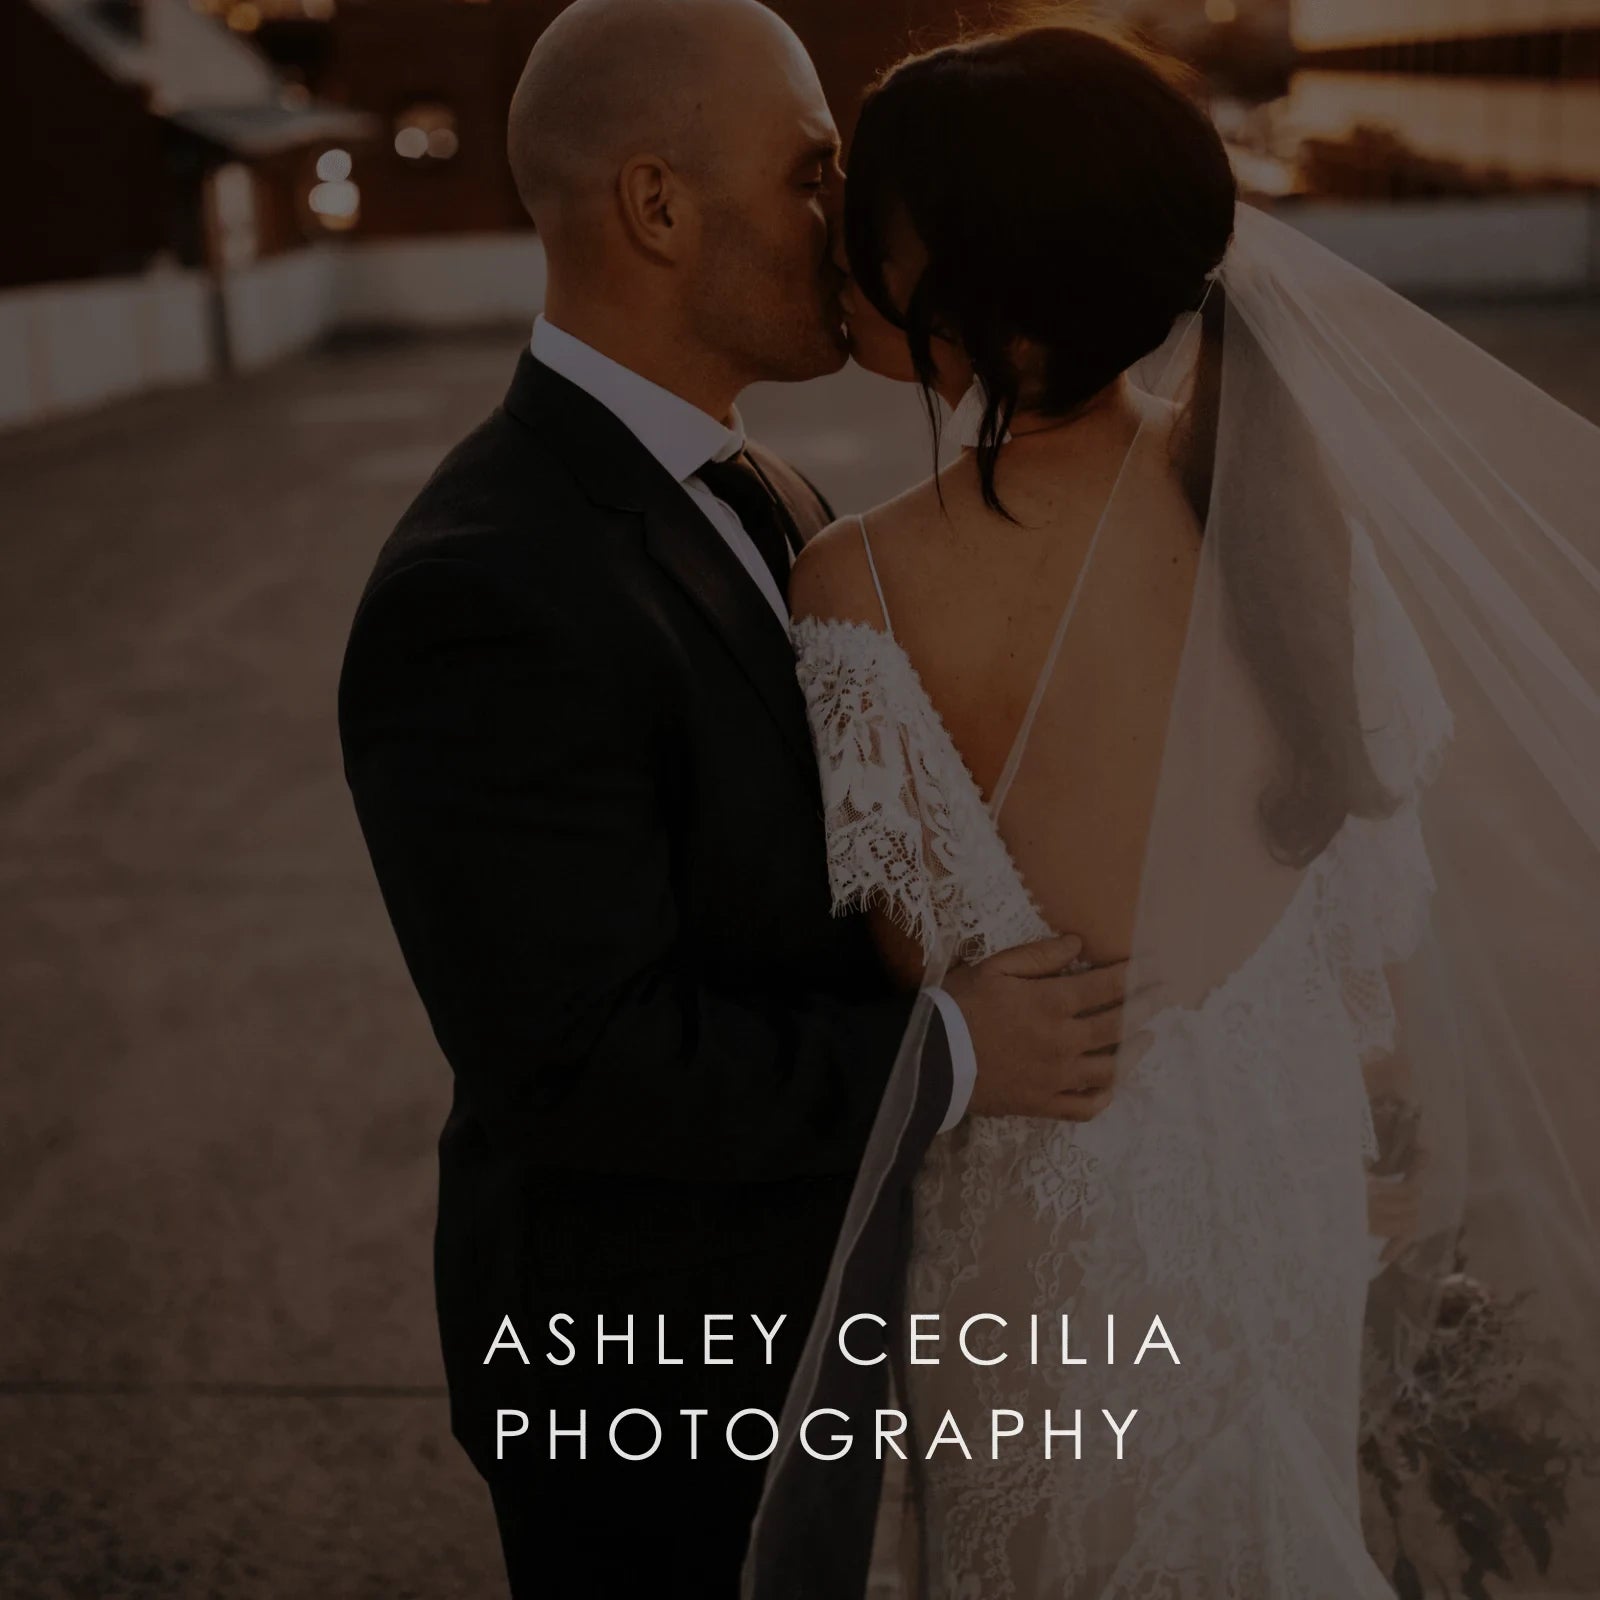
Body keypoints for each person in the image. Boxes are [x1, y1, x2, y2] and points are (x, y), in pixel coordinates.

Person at [751, 20, 1600, 1600]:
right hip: (1285, 1164)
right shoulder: (1284, 511)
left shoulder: (858, 579)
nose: (847, 250)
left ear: (982, 272)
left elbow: (921, 960)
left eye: (879, 221)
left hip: (1054, 1206)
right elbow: (1372, 926)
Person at [336, 2, 1128, 1594]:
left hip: (822, 1328)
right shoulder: (483, 590)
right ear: (657, 205)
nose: (854, 216)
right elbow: (578, 1063)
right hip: (648, 1378)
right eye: (813, 171)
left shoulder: (769, 488)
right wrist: (960, 1052)